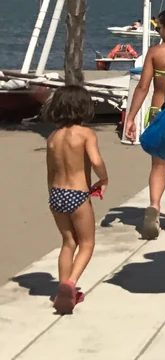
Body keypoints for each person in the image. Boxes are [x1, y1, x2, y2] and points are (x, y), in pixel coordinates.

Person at [123, 6, 165, 237]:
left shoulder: (156, 52)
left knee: (158, 167)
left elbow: (142, 87)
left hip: (157, 111)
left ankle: (154, 205)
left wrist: (130, 118)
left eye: (160, 27)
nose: (158, 31)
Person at [42, 86, 107, 315]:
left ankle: (62, 287)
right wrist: (103, 178)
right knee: (87, 243)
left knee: (68, 242)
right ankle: (70, 284)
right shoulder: (86, 134)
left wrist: (52, 194)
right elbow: (96, 160)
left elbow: (50, 171)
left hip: (56, 195)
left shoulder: (53, 137)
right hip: (78, 195)